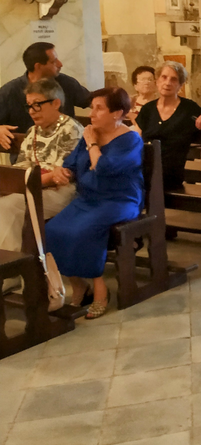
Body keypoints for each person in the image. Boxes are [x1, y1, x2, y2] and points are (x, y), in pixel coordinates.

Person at [46, 88, 144, 319]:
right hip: (89, 198)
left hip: (119, 199)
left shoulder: (130, 139)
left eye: (99, 108)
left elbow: (103, 168)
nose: (92, 114)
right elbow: (72, 164)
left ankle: (101, 290)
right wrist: (63, 172)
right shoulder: (91, 133)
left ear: (117, 113)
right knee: (52, 229)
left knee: (85, 231)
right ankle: (79, 285)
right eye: (92, 108)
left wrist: (92, 144)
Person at [0, 80, 82, 258]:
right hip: (32, 186)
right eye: (29, 106)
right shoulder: (33, 131)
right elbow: (23, 165)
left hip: (61, 192)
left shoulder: (71, 129)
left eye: (37, 105)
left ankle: (13, 265)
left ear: (56, 103)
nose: (31, 111)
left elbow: (62, 175)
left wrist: (21, 183)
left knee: (7, 207)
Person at [136, 63, 201, 191]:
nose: (167, 83)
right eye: (164, 77)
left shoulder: (188, 109)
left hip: (170, 174)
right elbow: (136, 139)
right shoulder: (147, 109)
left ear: (180, 85)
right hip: (145, 169)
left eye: (174, 79)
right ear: (157, 81)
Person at [0, 43, 91, 149]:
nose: (60, 64)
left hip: (66, 151)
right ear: (38, 66)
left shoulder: (66, 83)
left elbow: (93, 101)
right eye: (53, 61)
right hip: (25, 153)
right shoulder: (10, 91)